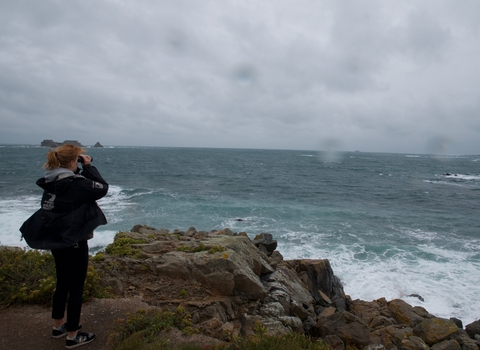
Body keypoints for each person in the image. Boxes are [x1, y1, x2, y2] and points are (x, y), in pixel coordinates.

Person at [36, 144, 108, 348]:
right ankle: (73, 335)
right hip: (73, 240)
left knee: (62, 283)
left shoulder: (51, 181)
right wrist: (89, 167)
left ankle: (58, 325)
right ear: (70, 162)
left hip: (56, 239)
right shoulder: (73, 183)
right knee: (76, 288)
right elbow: (102, 188)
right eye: (76, 159)